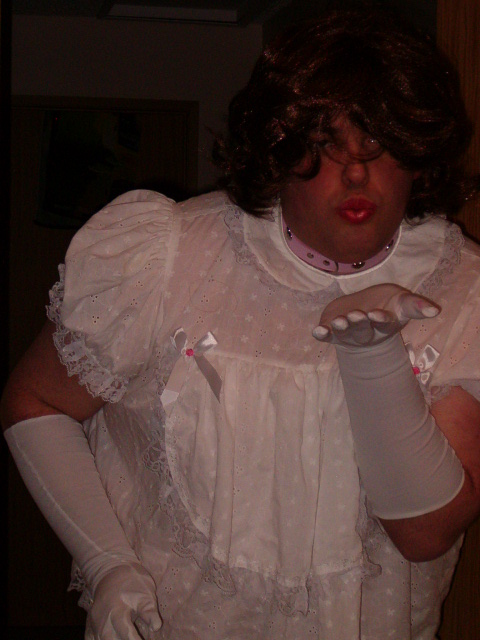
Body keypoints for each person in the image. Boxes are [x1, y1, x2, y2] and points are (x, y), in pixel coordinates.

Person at [2, 6, 480, 640]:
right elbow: (35, 402)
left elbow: (425, 535)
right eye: (325, 142)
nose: (356, 171)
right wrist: (106, 561)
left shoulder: (460, 286)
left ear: (418, 157)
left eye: (381, 142)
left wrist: (374, 359)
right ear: (279, 149)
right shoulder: (167, 257)